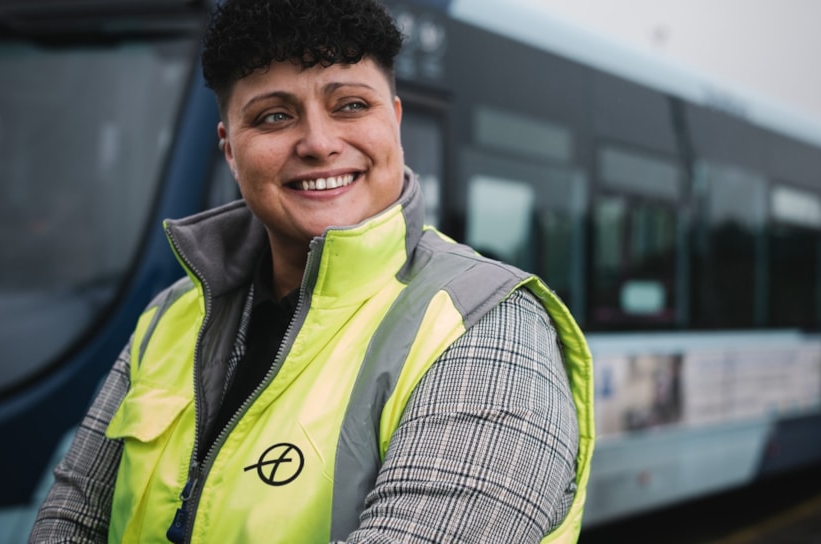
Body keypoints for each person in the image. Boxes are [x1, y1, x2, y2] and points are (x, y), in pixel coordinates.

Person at [29, 0, 594, 542]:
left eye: (350, 105)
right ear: (230, 149)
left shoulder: (489, 327)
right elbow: (70, 518)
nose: (320, 144)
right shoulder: (169, 315)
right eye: (274, 117)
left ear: (394, 121)